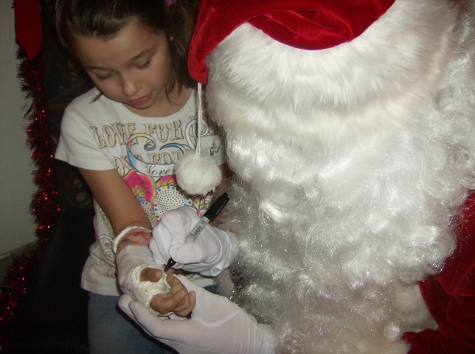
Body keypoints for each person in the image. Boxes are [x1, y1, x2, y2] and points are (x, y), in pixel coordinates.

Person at [119, 0, 475, 353]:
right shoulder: (354, 185)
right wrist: (223, 246)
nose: (303, 181)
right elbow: (291, 245)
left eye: (321, 151)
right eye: (278, 152)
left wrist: (259, 346)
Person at [54, 0, 231, 353]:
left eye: (142, 63)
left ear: (169, 33)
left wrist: (216, 244)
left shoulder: (218, 100)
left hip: (210, 278)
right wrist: (142, 279)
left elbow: (226, 198)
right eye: (102, 74)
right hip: (118, 284)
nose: (130, 87)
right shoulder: (83, 121)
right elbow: (128, 220)